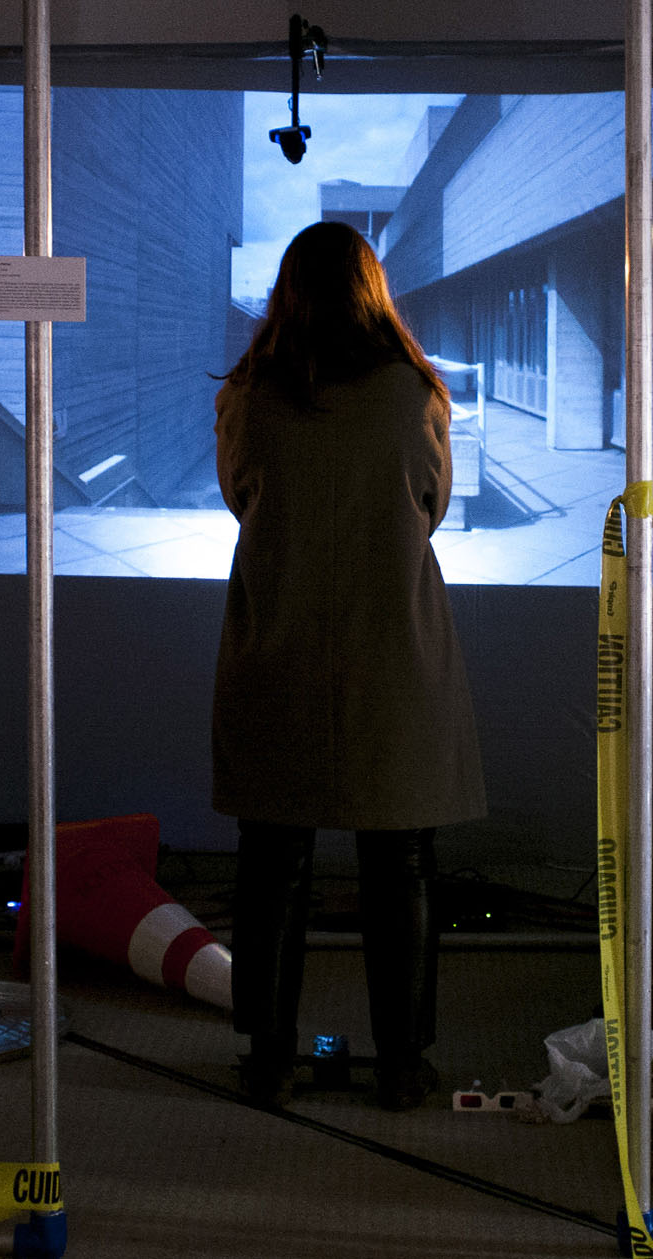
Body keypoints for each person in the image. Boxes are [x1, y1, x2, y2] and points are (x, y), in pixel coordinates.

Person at [212, 220, 485, 1111]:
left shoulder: (251, 393)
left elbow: (240, 493)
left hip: (278, 645)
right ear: (374, 289)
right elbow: (432, 501)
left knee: (271, 859)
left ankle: (268, 1061)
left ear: (286, 293)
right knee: (400, 859)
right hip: (395, 651)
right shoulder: (414, 392)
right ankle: (403, 1066)